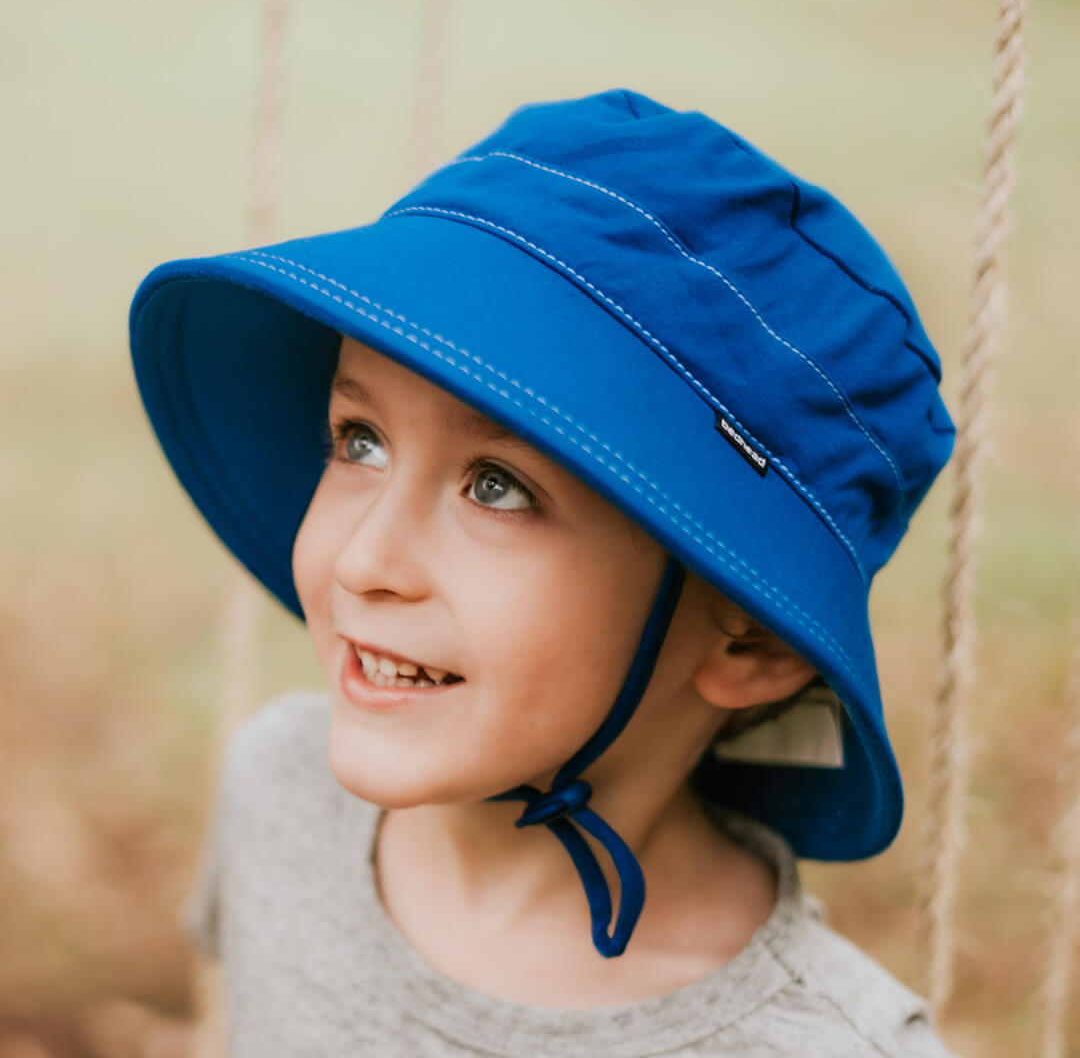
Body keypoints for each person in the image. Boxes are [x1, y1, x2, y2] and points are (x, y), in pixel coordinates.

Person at [129, 86, 961, 1055]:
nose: (364, 559)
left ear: (750, 636)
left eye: (496, 486)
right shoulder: (281, 797)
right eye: (358, 440)